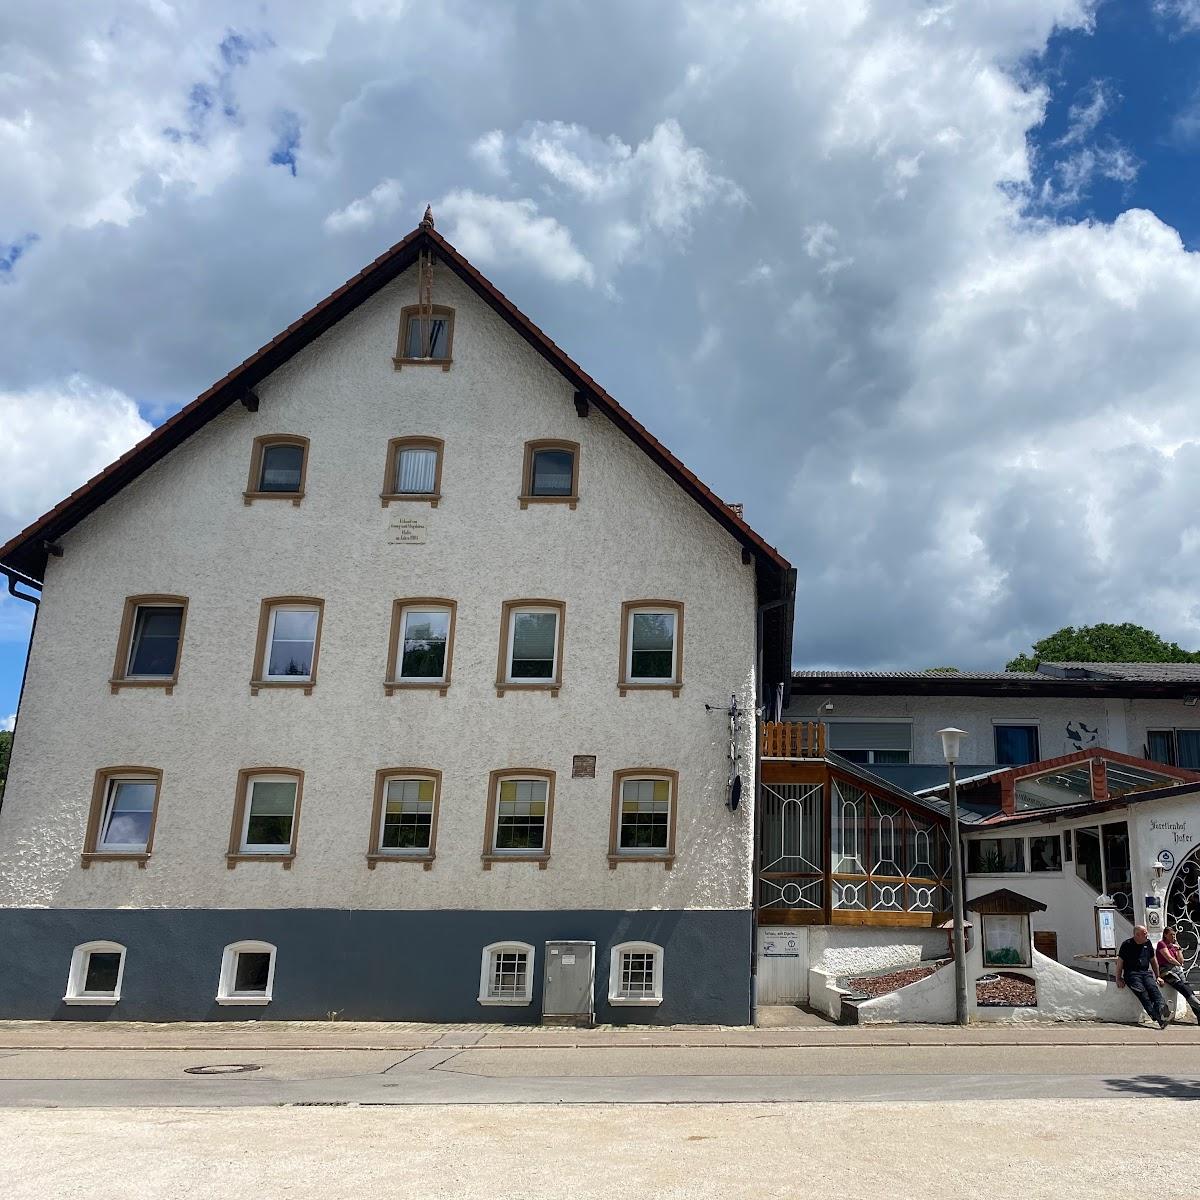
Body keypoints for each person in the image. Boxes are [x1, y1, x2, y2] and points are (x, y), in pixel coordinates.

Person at [1116, 925, 1169, 1029]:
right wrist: (1118, 978)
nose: (1147, 935)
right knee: (1143, 994)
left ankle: (1163, 1009)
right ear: (1137, 935)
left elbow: (1153, 960)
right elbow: (1120, 962)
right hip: (1132, 974)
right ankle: (1158, 1017)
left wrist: (1158, 976)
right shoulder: (1126, 944)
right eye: (1144, 933)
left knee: (1154, 990)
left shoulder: (1147, 943)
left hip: (1145, 973)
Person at [1156, 926, 1200, 1022]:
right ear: (1165, 935)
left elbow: (1181, 960)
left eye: (1174, 935)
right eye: (1171, 935)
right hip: (1167, 971)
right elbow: (1169, 959)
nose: (1173, 937)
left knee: (1188, 990)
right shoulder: (1161, 944)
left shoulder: (1174, 946)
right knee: (1183, 988)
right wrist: (1179, 964)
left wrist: (1179, 949)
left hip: (1178, 970)